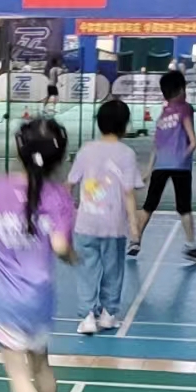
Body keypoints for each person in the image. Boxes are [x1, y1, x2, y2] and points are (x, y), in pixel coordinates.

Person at [0, 115, 75, 392]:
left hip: (7, 298)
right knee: (41, 365)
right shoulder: (60, 197)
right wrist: (73, 256)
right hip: (40, 298)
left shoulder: (0, 189)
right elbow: (60, 247)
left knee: (17, 374)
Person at [68, 97, 140, 333]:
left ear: (99, 123)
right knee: (113, 270)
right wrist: (134, 226)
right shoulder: (127, 154)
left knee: (86, 270)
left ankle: (88, 316)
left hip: (86, 223)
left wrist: (63, 213)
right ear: (125, 125)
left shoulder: (86, 150)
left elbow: (69, 183)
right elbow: (129, 193)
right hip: (114, 226)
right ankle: (108, 314)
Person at [134, 68, 196, 265]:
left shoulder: (162, 116)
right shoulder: (185, 108)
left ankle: (135, 241)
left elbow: (156, 146)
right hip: (181, 166)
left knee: (149, 205)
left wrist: (149, 170)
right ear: (181, 89)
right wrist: (185, 154)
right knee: (184, 208)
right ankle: (191, 246)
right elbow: (193, 141)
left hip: (160, 166)